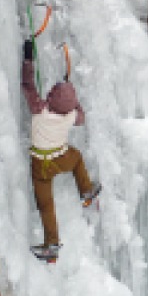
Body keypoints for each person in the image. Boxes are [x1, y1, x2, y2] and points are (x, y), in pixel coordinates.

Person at [22, 37, 100, 262]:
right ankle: (86, 191)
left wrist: (28, 59)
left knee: (46, 206)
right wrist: (74, 102)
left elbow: (27, 85)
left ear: (51, 98)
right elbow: (81, 117)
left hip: (41, 166)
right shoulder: (72, 116)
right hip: (62, 158)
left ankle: (52, 245)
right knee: (76, 158)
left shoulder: (40, 109)